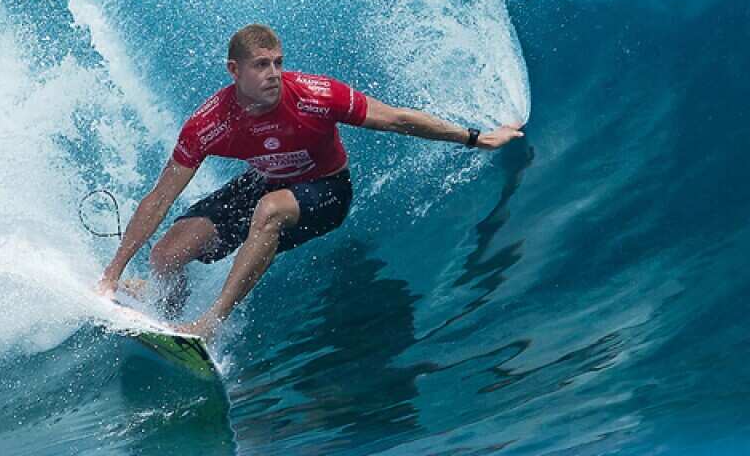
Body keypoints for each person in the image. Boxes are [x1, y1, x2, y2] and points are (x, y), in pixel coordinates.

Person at [96, 24, 525, 338]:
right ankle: (160, 311)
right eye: (261, 65)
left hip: (326, 191)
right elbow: (160, 196)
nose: (273, 74)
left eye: (278, 63)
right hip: (264, 181)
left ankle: (208, 324)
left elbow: (397, 119)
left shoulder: (315, 96)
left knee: (270, 210)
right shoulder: (209, 123)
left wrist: (477, 138)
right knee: (168, 252)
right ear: (234, 70)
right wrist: (111, 274)